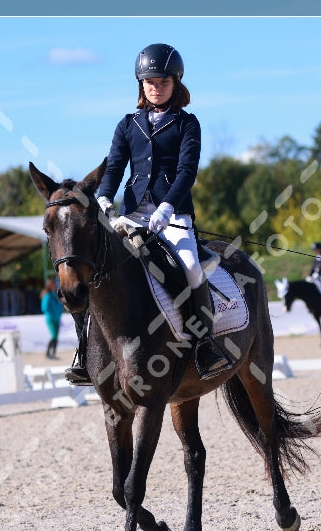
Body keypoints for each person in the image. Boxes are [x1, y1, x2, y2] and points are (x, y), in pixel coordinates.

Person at [65, 42, 231, 385]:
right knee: (93, 268)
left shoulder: (188, 124)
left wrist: (168, 205)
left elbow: (187, 171)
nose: (155, 87)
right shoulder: (127, 125)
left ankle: (204, 345)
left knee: (190, 267)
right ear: (141, 85)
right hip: (131, 216)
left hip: (172, 217)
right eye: (149, 82)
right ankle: (85, 352)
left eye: (163, 81)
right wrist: (107, 198)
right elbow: (113, 167)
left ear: (176, 82)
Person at [40, 278, 63, 359]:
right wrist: (53, 313)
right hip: (50, 319)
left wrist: (59, 313)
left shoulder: (56, 294)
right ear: (49, 286)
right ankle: (48, 353)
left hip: (57, 318)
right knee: (53, 336)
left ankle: (53, 353)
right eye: (53, 284)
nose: (55, 286)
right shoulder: (47, 296)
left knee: (56, 336)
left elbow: (61, 305)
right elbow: (44, 308)